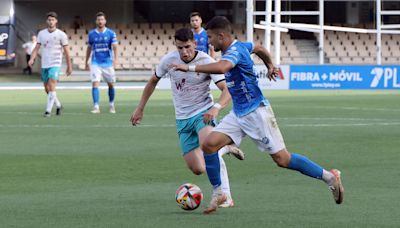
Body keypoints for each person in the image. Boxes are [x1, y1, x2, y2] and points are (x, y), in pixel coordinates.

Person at [171, 16, 344, 214]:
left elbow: (222, 67)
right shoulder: (241, 46)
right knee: (209, 145)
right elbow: (260, 48)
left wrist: (190, 67)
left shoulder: (234, 52)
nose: (208, 41)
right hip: (238, 113)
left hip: (256, 113)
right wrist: (270, 65)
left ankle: (330, 177)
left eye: (210, 37)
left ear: (221, 35)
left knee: (282, 160)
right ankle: (220, 192)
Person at [130, 28, 245, 208]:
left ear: (195, 44)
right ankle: (225, 149)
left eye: (187, 47)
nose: (184, 52)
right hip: (182, 119)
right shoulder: (168, 61)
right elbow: (153, 81)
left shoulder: (206, 61)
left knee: (208, 147)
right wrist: (140, 108)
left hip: (203, 113)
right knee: (198, 169)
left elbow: (226, 89)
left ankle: (226, 196)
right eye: (180, 48)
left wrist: (216, 107)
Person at [29, 12, 72, 117]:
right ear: (46, 21)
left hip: (55, 63)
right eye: (49, 20)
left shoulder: (61, 34)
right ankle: (58, 105)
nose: (51, 21)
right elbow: (37, 47)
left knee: (52, 84)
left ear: (56, 21)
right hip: (45, 63)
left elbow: (66, 51)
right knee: (47, 89)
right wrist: (32, 58)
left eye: (53, 20)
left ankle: (48, 111)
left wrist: (69, 66)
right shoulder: (41, 34)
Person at [85, 12, 118, 114]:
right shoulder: (91, 34)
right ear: (96, 21)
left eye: (102, 19)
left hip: (107, 63)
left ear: (105, 21)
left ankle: (111, 105)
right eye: (98, 20)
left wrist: (115, 60)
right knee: (95, 84)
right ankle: (96, 107)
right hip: (96, 63)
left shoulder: (111, 33)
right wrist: (86, 61)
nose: (100, 21)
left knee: (111, 85)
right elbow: (89, 48)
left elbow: (115, 47)